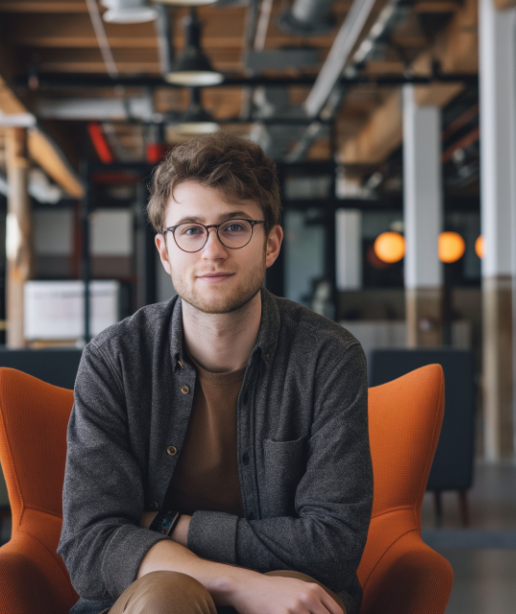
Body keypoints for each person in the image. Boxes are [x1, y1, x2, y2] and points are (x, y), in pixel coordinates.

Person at [58, 133, 373, 614]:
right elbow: (89, 544)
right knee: (168, 597)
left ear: (271, 243)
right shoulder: (114, 360)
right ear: (165, 252)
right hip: (151, 596)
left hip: (289, 593)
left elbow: (331, 544)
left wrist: (168, 524)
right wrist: (238, 583)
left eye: (234, 227)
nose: (212, 252)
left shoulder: (329, 358)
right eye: (190, 230)